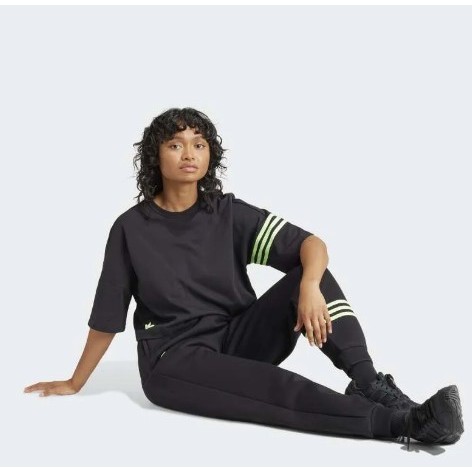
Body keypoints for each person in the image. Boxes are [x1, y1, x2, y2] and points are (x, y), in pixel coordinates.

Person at [24, 107, 464, 451]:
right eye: (175, 144)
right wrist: (75, 382)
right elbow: (107, 317)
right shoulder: (131, 228)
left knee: (311, 274)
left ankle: (369, 383)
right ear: (155, 156)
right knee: (276, 389)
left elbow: (311, 244)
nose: (189, 153)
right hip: (175, 359)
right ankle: (403, 423)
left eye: (198, 144)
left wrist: (308, 286)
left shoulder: (226, 213)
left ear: (210, 154)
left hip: (237, 338)